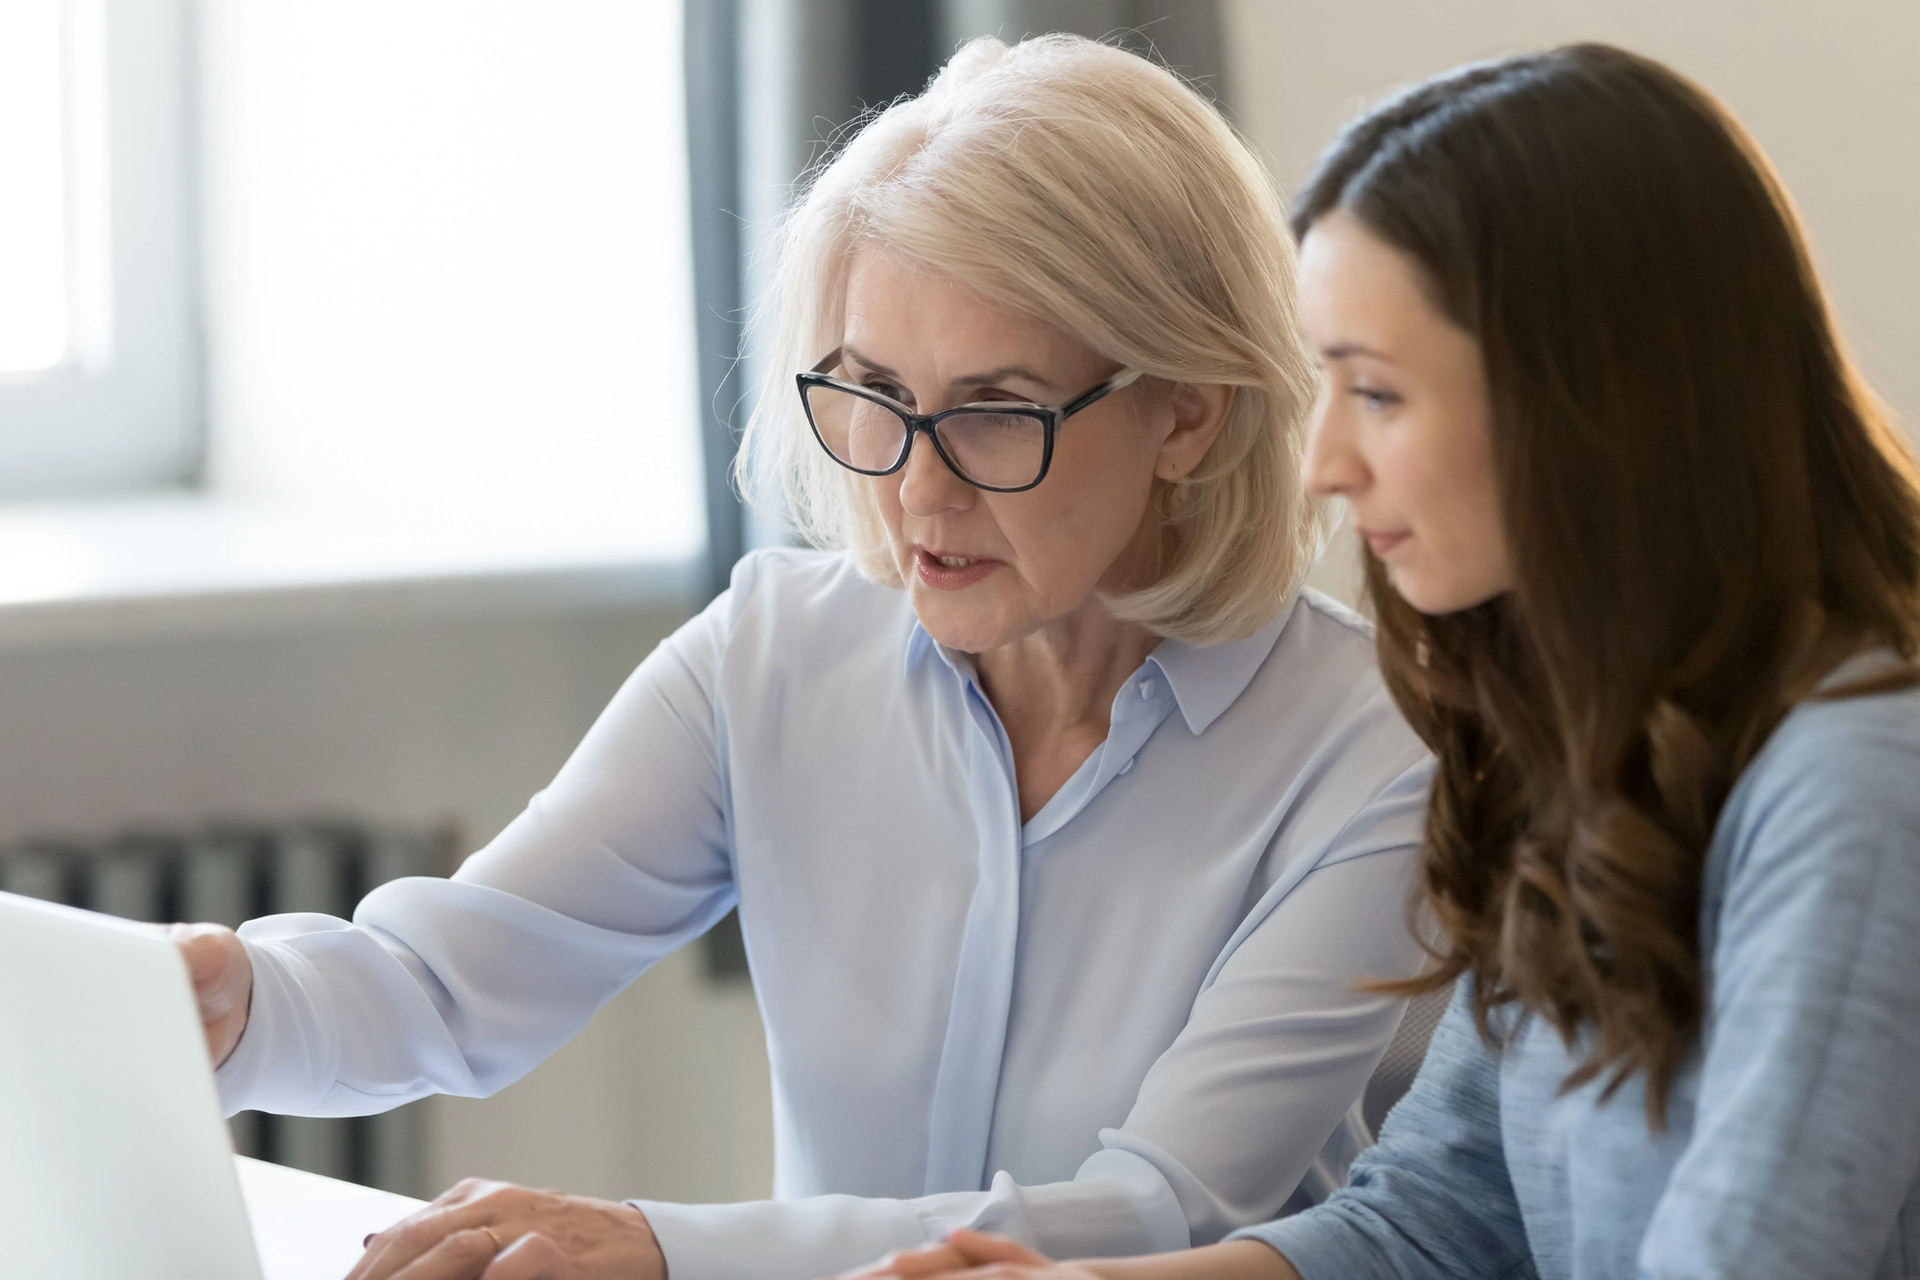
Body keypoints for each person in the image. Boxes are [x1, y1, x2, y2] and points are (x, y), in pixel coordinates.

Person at [169, 35, 1435, 1280]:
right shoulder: (771, 654)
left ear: (1188, 410)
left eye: (994, 413)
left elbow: (1155, 1207)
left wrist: (663, 1248)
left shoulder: (1373, 756)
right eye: (875, 396)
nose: (918, 491)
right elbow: (450, 979)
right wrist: (241, 999)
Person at [855, 41, 1920, 1280]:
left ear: (1586, 402)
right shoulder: (1593, 746)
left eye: (1379, 394)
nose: (1323, 466)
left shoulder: (1856, 777)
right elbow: (1438, 1215)